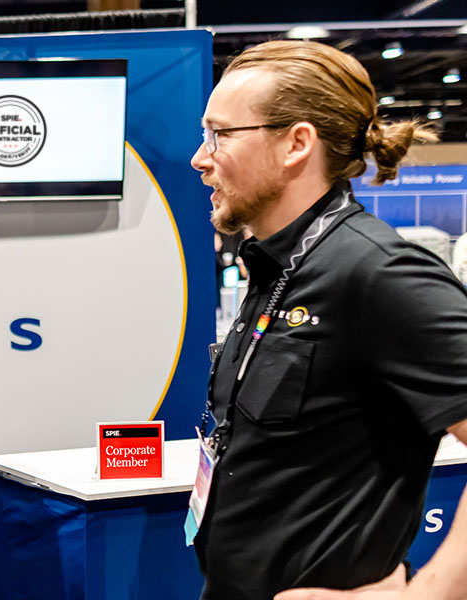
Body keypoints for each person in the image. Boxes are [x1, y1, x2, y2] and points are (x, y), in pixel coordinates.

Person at [190, 40, 467, 600]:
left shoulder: (377, 273)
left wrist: (427, 595)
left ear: (296, 144)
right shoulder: (279, 268)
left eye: (220, 135)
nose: (201, 157)